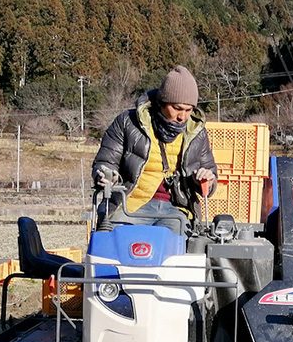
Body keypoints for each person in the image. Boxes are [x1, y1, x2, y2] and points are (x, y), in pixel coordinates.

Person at [92, 65, 217, 236]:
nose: (183, 116)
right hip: (130, 204)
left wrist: (206, 179)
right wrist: (106, 174)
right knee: (114, 242)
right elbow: (106, 161)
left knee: (178, 250)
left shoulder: (197, 132)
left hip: (176, 210)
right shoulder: (127, 122)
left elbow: (210, 176)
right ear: (161, 103)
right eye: (177, 108)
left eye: (189, 110)